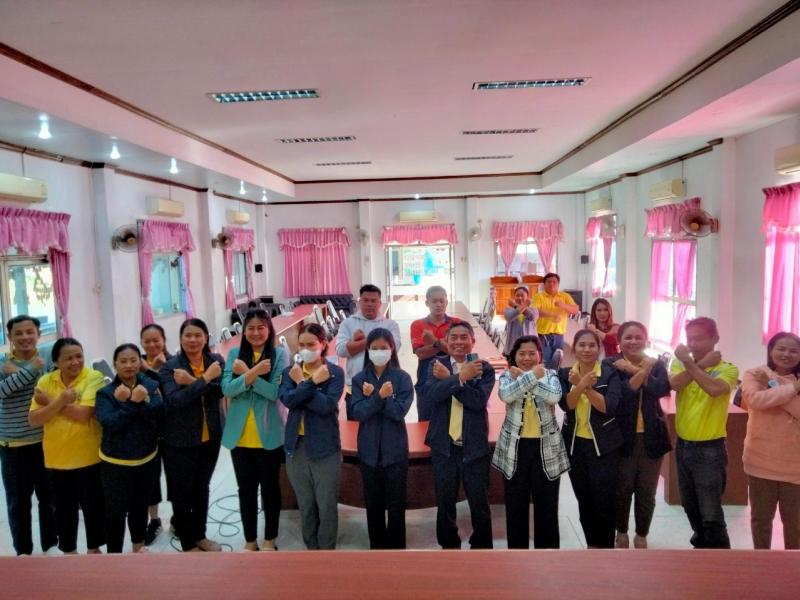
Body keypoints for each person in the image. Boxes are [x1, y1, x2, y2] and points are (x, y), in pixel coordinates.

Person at [421, 321, 494, 549]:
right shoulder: (436, 365)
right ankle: (448, 545)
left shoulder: (483, 368)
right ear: (446, 341)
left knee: (479, 501)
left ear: (473, 341)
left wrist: (452, 380)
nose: (459, 342)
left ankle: (482, 546)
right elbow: (431, 395)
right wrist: (459, 378)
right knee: (445, 501)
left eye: (464, 337)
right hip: (444, 445)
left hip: (474, 445)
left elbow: (477, 401)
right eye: (454, 337)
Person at [28, 337, 106, 554]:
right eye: (68, 358)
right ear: (56, 362)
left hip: (89, 456)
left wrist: (51, 402)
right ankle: (69, 551)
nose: (75, 362)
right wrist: (62, 400)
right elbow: (34, 419)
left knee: (93, 507)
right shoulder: (46, 381)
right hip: (57, 459)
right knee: (63, 510)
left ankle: (94, 549)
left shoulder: (93, 377)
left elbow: (84, 414)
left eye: (79, 356)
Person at [492, 335, 568, 549]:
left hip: (546, 449)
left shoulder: (550, 375)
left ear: (540, 355)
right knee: (515, 506)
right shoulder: (507, 375)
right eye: (522, 353)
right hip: (515, 449)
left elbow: (554, 397)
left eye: (532, 353)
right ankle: (517, 555)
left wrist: (527, 378)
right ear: (514, 356)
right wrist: (532, 377)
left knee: (547, 506)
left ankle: (547, 556)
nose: (526, 358)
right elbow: (506, 395)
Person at [669, 317, 738, 549]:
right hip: (683, 446)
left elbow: (714, 389)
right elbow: (675, 384)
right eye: (689, 339)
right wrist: (697, 364)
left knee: (711, 514)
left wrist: (690, 363)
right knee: (689, 506)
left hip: (710, 449)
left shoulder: (727, 368)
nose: (693, 344)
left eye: (699, 339)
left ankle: (719, 559)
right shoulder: (678, 363)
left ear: (715, 338)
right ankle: (701, 550)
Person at [221, 309, 286, 551]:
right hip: (240, 437)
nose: (256, 333)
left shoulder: (279, 355)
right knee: (246, 490)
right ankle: (250, 540)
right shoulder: (234, 354)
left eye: (261, 327)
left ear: (269, 330)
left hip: (268, 434)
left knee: (270, 489)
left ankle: (270, 538)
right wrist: (253, 374)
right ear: (244, 331)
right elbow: (227, 389)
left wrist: (248, 375)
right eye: (251, 328)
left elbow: (274, 393)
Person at [159, 318, 225, 552]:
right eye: (188, 335)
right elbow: (175, 400)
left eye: (198, 335)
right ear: (180, 338)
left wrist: (192, 382)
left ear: (206, 338)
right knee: (182, 492)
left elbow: (221, 391)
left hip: (210, 437)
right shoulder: (170, 367)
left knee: (202, 487)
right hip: (180, 440)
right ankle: (188, 544)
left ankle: (200, 535)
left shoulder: (216, 361)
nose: (193, 340)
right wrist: (204, 379)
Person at [279, 323, 344, 550]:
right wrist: (310, 384)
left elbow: (326, 406)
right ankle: (310, 547)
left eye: (311, 344)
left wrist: (302, 384)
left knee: (326, 504)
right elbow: (289, 400)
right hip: (296, 446)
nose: (305, 349)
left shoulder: (334, 373)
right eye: (302, 345)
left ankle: (326, 549)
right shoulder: (290, 372)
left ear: (323, 344)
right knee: (305, 502)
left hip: (325, 446)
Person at [607, 322, 671, 549]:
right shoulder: (611, 364)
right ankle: (621, 531)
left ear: (645, 339)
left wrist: (634, 370)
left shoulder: (657, 364)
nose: (633, 341)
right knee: (622, 489)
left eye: (638, 337)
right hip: (622, 438)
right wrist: (641, 370)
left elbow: (661, 389)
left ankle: (642, 534)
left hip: (652, 437)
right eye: (628, 337)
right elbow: (623, 394)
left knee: (647, 491)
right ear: (619, 341)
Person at [348, 328, 414, 549]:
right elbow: (358, 413)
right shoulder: (359, 379)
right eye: (374, 348)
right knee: (373, 506)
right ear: (368, 350)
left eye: (383, 348)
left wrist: (376, 397)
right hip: (368, 452)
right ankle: (376, 549)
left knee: (396, 506)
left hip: (395, 452)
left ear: (392, 349)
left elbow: (399, 412)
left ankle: (396, 551)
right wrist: (380, 396)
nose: (378, 352)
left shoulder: (402, 378)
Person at [95, 344, 163, 553]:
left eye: (133, 360)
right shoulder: (105, 393)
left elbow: (158, 415)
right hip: (115, 463)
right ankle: (114, 554)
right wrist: (133, 403)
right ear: (114, 364)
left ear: (140, 362)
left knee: (140, 507)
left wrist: (137, 402)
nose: (129, 365)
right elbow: (110, 423)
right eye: (123, 361)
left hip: (146, 459)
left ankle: (138, 547)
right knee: (115, 512)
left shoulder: (150, 385)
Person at [558, 329, 622, 549]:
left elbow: (608, 407)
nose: (587, 349)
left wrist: (584, 385)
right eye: (582, 345)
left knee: (604, 501)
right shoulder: (564, 373)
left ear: (599, 348)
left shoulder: (609, 374)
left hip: (604, 447)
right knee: (584, 500)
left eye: (591, 345)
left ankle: (606, 549)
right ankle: (592, 546)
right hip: (575, 446)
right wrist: (579, 384)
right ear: (574, 348)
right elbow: (567, 405)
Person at [0, 315, 57, 555]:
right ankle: (23, 552)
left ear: (38, 334)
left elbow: (50, 392)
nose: (25, 337)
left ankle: (50, 546)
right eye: (18, 333)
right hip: (13, 446)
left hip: (46, 442)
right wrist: (32, 369)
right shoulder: (2, 364)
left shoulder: (49, 361)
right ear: (10, 337)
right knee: (18, 503)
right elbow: (3, 391)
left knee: (49, 499)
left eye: (29, 332)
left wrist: (19, 372)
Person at [740, 331, 800, 549]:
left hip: (795, 466)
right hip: (760, 461)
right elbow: (756, 400)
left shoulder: (767, 379)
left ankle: (794, 565)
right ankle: (761, 562)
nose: (787, 354)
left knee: (795, 524)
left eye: (794, 351)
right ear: (770, 350)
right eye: (781, 349)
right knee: (761, 520)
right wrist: (793, 388)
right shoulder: (755, 374)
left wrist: (773, 386)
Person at [336, 285, 401, 419]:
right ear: (359, 302)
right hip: (355, 387)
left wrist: (358, 343)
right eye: (365, 300)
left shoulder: (390, 325)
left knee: (386, 425)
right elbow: (341, 350)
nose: (369, 304)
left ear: (380, 303)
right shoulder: (348, 323)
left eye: (373, 301)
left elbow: (394, 347)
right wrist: (373, 341)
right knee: (356, 427)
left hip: (385, 386)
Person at [139, 323, 172, 545]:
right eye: (147, 341)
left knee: (176, 477)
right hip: (146, 431)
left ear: (164, 340)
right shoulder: (135, 363)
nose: (152, 345)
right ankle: (154, 520)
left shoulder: (174, 362)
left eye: (156, 340)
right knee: (149, 479)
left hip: (172, 429)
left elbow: (172, 394)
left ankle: (179, 518)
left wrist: (154, 370)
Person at [409, 285, 459, 420]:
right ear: (427, 303)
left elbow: (458, 352)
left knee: (452, 419)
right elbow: (421, 353)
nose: (438, 304)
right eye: (434, 301)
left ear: (446, 302)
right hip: (425, 378)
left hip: (452, 376)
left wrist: (433, 341)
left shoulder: (457, 323)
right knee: (426, 421)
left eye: (441, 301)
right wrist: (444, 344)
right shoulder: (417, 325)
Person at [533, 273, 579, 369]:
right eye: (549, 281)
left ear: (558, 284)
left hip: (559, 336)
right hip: (543, 336)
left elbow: (575, 310)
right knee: (544, 362)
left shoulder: (565, 296)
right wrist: (552, 315)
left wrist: (563, 305)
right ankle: (545, 377)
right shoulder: (538, 296)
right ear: (544, 284)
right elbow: (534, 311)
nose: (551, 284)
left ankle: (554, 377)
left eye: (554, 282)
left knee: (557, 362)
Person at [503, 286, 539, 357]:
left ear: (527, 297)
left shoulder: (533, 309)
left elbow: (532, 316)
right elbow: (510, 317)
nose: (519, 298)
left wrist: (515, 305)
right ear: (514, 297)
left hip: (530, 348)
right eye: (517, 295)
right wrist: (523, 305)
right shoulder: (508, 309)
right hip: (512, 348)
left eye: (522, 295)